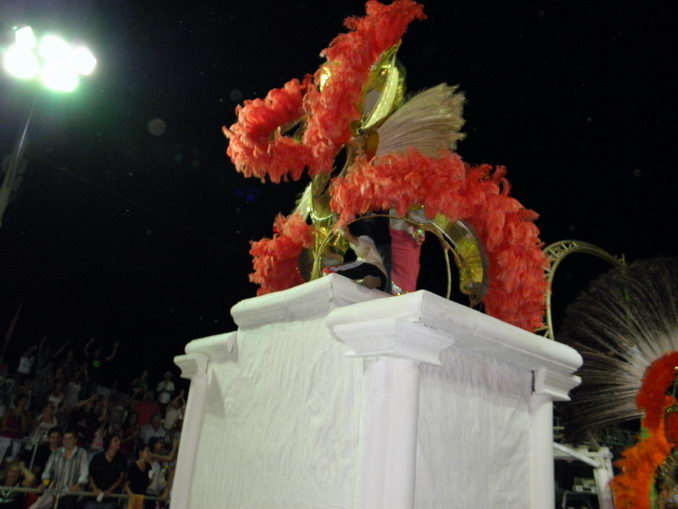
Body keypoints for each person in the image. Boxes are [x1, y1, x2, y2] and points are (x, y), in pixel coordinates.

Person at [39, 430, 89, 509]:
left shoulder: (82, 453)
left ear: (75, 440)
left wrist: (78, 485)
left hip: (73, 494)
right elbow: (47, 473)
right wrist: (44, 484)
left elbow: (84, 473)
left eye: (70, 438)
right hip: (55, 492)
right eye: (64, 439)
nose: (66, 441)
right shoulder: (55, 453)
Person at [85, 434, 126, 509]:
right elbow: (91, 475)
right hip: (94, 497)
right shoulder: (97, 457)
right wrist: (94, 489)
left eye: (119, 440)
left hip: (110, 498)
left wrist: (110, 490)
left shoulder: (121, 458)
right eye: (115, 441)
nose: (119, 442)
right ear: (109, 442)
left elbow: (121, 478)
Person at [0, 395, 29, 463]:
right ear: (18, 401)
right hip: (5, 435)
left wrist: (23, 417)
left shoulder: (26, 414)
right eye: (23, 400)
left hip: (17, 437)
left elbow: (23, 430)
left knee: (16, 446)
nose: (24, 402)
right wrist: (13, 430)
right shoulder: (9, 411)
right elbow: (3, 426)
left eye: (26, 401)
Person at [124, 445, 152, 509]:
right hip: (131, 498)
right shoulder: (132, 466)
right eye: (147, 451)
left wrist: (151, 478)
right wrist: (131, 496)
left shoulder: (148, 466)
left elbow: (147, 483)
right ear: (140, 453)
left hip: (142, 498)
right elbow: (126, 485)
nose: (149, 454)